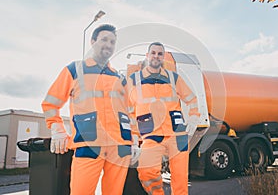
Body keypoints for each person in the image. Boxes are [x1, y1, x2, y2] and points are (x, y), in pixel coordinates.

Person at [41, 24, 140, 195]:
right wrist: (57, 129)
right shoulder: (75, 70)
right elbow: (51, 103)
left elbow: (130, 111)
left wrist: (135, 139)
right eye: (104, 40)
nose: (108, 45)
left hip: (120, 146)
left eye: (112, 42)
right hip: (89, 144)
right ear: (93, 41)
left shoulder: (120, 78)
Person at [128, 42, 200, 195]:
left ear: (163, 57)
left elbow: (192, 100)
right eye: (153, 53)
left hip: (177, 134)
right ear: (147, 56)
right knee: (146, 172)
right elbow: (130, 112)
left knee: (180, 179)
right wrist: (133, 139)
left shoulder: (174, 78)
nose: (156, 56)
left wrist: (194, 118)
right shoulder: (134, 81)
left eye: (160, 54)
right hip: (152, 135)